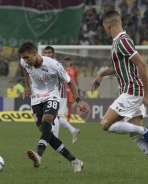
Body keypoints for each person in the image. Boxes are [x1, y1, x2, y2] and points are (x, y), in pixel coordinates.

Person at [91, 10, 148, 179]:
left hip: (132, 91)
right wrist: (101, 74)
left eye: (104, 27)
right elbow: (119, 66)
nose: (104, 29)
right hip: (132, 91)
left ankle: (146, 131)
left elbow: (142, 65)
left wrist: (146, 93)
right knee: (134, 136)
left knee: (105, 123)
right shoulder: (118, 42)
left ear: (108, 25)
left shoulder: (122, 41)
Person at [19, 42, 88, 172]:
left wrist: (78, 100)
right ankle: (75, 161)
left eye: (27, 57)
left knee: (47, 120)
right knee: (47, 134)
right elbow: (25, 71)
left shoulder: (53, 65)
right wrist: (27, 87)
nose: (24, 60)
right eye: (23, 58)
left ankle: (39, 154)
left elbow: (70, 82)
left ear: (35, 53)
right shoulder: (24, 62)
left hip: (52, 95)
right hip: (35, 98)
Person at [43, 46, 80, 144]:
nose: (47, 54)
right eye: (45, 53)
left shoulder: (57, 64)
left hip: (60, 92)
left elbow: (66, 79)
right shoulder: (43, 64)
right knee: (55, 116)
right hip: (50, 93)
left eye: (49, 52)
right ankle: (73, 130)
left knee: (55, 115)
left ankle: (55, 139)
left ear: (53, 54)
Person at [64, 58, 79, 122]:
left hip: (71, 90)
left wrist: (77, 88)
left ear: (70, 62)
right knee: (61, 103)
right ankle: (58, 118)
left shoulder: (74, 70)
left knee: (70, 104)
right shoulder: (62, 69)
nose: (67, 62)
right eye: (66, 61)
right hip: (63, 89)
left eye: (68, 61)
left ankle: (68, 120)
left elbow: (76, 79)